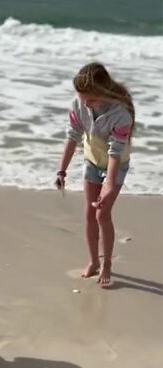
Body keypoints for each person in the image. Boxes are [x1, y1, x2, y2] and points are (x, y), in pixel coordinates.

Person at [55, 62, 135, 287]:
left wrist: (109, 185)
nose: (85, 104)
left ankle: (107, 263)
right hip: (91, 160)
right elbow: (72, 137)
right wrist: (62, 170)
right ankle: (93, 261)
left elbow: (115, 152)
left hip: (115, 165)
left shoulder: (121, 115)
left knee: (102, 215)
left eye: (89, 100)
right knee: (89, 215)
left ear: (103, 93)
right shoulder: (79, 103)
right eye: (82, 99)